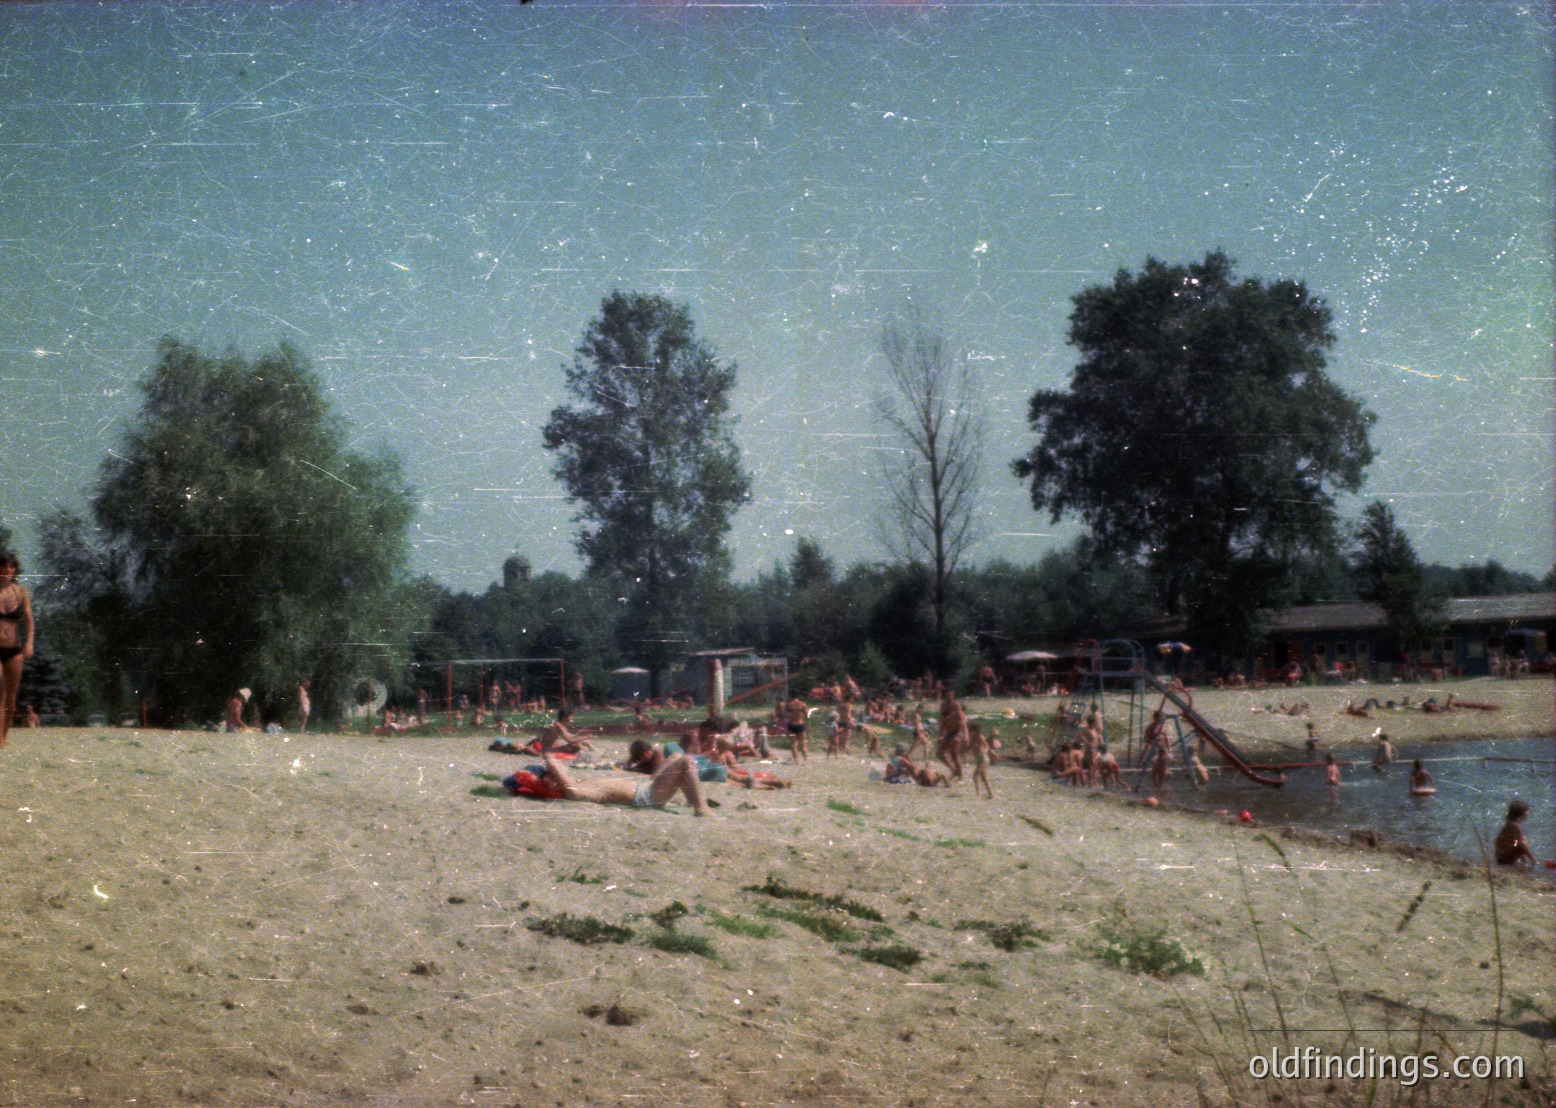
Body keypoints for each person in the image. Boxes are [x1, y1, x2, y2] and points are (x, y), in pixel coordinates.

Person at [543, 750, 712, 816]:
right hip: (647, 796)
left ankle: (692, 800)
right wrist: (548, 759)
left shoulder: (577, 781)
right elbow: (569, 788)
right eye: (551, 779)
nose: (555, 779)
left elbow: (561, 771)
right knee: (686, 761)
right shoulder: (576, 789)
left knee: (675, 756)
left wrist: (551, 763)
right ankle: (701, 808)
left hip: (646, 786)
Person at [0, 552, 35, 746]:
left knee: (11, 695)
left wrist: (29, 643)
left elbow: (29, 621)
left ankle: (4, 735)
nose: (7, 571)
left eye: (11, 567)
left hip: (14, 649)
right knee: (0, 691)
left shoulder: (21, 593)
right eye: (3, 567)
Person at [935, 687, 967, 780]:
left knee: (955, 754)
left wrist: (958, 734)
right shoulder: (943, 706)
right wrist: (940, 735)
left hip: (955, 732)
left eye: (952, 695)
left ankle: (960, 775)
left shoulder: (956, 705)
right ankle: (954, 770)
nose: (951, 698)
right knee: (939, 754)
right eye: (949, 696)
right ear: (945, 696)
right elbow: (942, 721)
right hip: (948, 733)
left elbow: (961, 720)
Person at [1493, 800, 1537, 867]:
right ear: (1521, 813)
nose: (1529, 812)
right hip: (1504, 857)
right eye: (1527, 810)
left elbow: (1515, 841)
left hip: (1500, 855)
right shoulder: (1515, 825)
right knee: (1522, 842)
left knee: (1518, 841)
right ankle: (1532, 862)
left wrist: (1517, 847)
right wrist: (1534, 859)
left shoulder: (1510, 823)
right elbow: (1522, 844)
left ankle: (1523, 863)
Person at [967, 721, 994, 799]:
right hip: (979, 759)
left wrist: (984, 751)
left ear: (973, 729)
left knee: (975, 776)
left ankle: (978, 794)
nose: (968, 730)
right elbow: (970, 747)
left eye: (969, 729)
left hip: (983, 758)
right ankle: (991, 794)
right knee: (984, 778)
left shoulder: (980, 737)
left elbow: (987, 746)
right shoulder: (973, 737)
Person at [784, 693, 809, 763]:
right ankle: (805, 759)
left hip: (791, 724)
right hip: (800, 724)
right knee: (803, 743)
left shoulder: (788, 704)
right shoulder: (802, 704)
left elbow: (785, 715)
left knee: (793, 744)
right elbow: (807, 715)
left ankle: (796, 760)